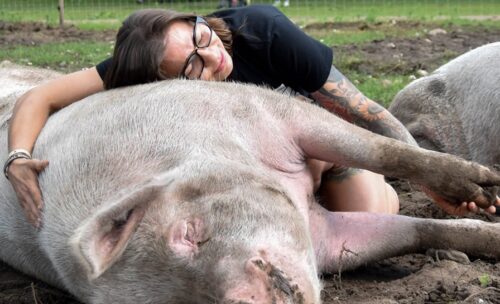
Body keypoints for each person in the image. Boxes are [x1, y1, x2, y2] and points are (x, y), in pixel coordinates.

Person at [5, 5, 496, 228]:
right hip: (252, 174)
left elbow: (368, 113)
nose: (211, 56)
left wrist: (427, 175)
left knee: (364, 218)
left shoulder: (264, 33)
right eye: (192, 66)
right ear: (161, 85)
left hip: (319, 153)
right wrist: (20, 158)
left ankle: (363, 188)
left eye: (200, 35)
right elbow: (39, 98)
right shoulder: (138, 78)